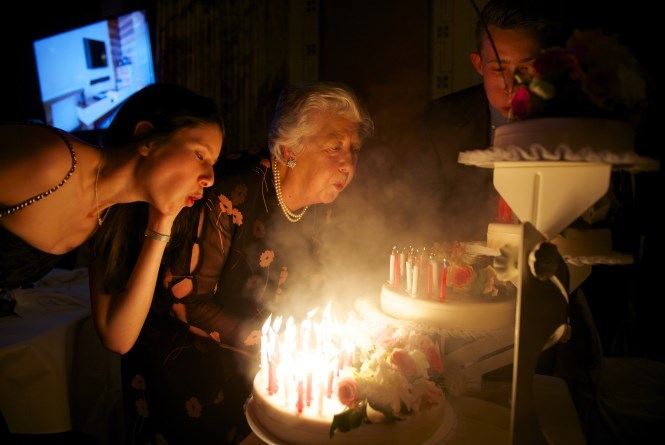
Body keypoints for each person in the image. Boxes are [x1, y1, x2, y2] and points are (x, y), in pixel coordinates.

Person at [92, 81, 373, 443]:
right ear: (288, 150)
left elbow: (316, 277)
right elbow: (188, 303)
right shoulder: (226, 193)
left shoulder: (323, 203)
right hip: (188, 376)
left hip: (259, 373)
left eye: (354, 149)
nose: (348, 163)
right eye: (335, 147)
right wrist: (279, 346)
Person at [0, 83, 224, 349]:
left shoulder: (109, 217)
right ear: (147, 139)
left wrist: (162, 222)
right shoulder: (52, 162)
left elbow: (118, 337)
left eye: (212, 164)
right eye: (200, 155)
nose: (210, 178)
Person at [410, 0, 564, 242]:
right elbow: (421, 215)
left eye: (525, 68)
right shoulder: (441, 121)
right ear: (478, 64)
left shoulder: (572, 122)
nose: (511, 86)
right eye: (499, 69)